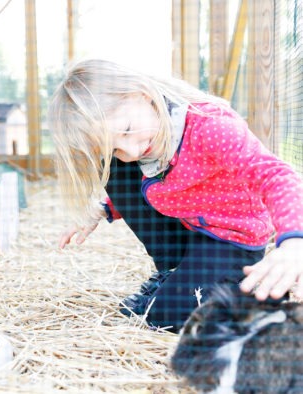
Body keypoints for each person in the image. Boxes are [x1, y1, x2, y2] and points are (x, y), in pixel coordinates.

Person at [48, 58, 303, 333]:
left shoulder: (210, 127)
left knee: (165, 317)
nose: (131, 152)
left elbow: (276, 176)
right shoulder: (144, 143)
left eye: (127, 130)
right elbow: (154, 187)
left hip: (230, 240)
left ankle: (250, 298)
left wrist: (294, 242)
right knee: (115, 172)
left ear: (142, 95)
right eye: (115, 149)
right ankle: (173, 274)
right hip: (193, 228)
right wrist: (104, 209)